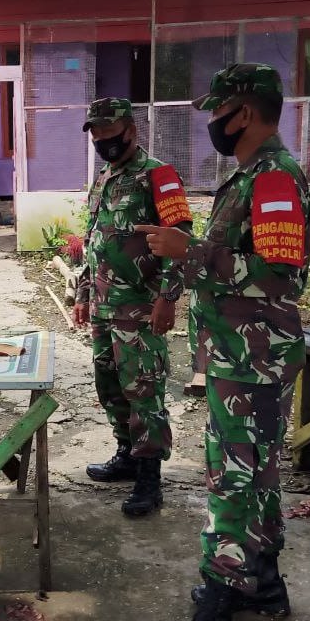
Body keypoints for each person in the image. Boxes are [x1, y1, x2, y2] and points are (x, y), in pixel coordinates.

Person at [138, 63, 310, 621]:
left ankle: (214, 616)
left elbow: (280, 277)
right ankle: (262, 583)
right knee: (254, 471)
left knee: (233, 483)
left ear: (245, 111)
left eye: (218, 110)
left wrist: (194, 253)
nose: (211, 122)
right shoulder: (249, 176)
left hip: (254, 357)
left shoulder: (273, 179)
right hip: (240, 354)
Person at [73, 97, 191, 516]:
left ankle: (149, 479)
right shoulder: (104, 178)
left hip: (142, 307)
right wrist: (84, 294)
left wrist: (168, 299)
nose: (103, 139)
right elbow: (94, 240)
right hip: (106, 307)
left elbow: (180, 243)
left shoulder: (158, 174)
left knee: (144, 392)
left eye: (110, 130)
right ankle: (126, 454)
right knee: (109, 386)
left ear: (130, 129)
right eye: (97, 133)